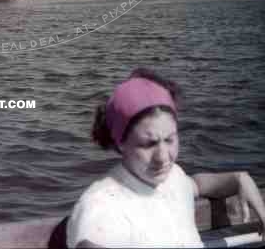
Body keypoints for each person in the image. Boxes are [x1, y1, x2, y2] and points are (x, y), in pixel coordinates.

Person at [66, 68, 265, 248]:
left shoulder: (173, 178)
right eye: (149, 144)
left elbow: (195, 184)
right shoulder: (101, 207)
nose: (163, 158)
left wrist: (238, 179)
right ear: (120, 143)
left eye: (169, 140)